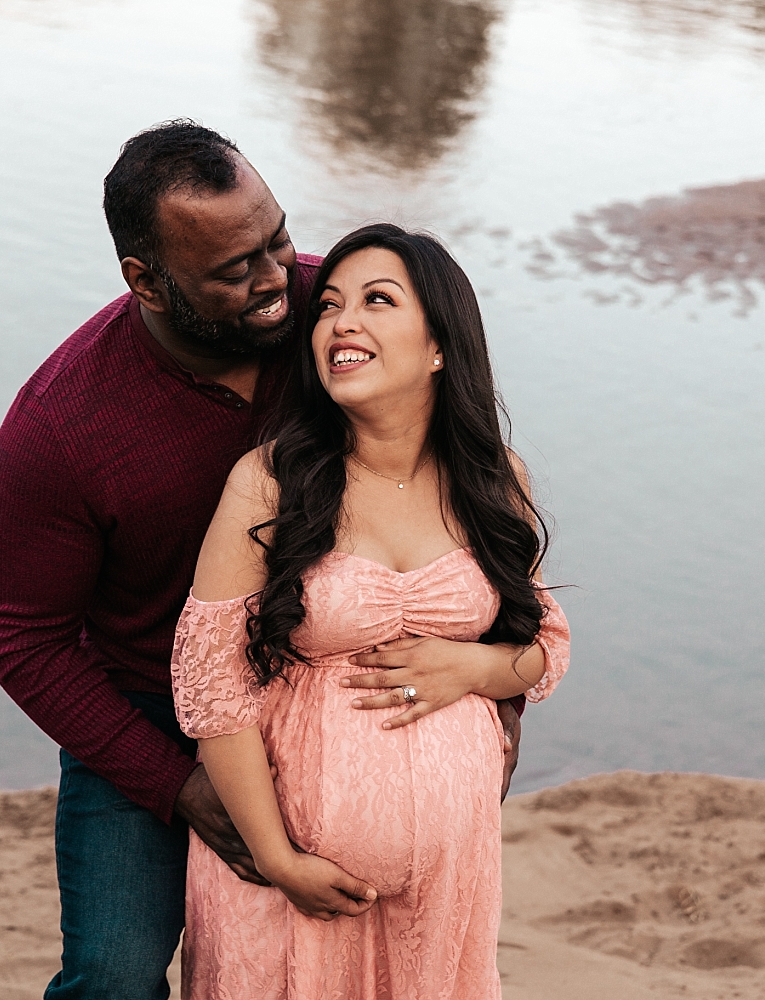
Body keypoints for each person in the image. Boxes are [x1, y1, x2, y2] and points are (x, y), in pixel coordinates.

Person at [0, 122, 526, 999]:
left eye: (276, 238)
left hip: (320, 677)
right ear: (146, 280)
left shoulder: (327, 314)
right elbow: (25, 645)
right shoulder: (62, 428)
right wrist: (181, 786)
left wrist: (494, 693)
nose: (279, 281)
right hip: (151, 709)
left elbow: (459, 477)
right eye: (235, 270)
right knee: (113, 978)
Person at [171, 222, 569, 998]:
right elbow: (212, 690)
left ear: (438, 346)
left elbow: (545, 646)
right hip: (290, 882)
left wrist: (478, 667)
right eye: (328, 307)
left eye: (377, 301)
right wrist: (279, 860)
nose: (340, 322)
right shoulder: (270, 482)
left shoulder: (492, 477)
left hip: (447, 883)